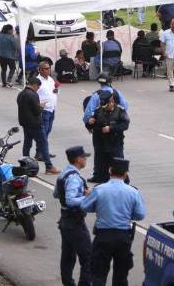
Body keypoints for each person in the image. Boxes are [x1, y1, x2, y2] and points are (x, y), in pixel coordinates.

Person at [80, 158, 146, 286]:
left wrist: (99, 208)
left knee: (98, 274)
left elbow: (84, 206)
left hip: (103, 236)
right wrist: (127, 214)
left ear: (110, 170)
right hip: (123, 238)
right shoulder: (133, 192)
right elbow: (140, 215)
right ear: (126, 173)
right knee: (121, 276)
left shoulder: (99, 189)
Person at [55, 146, 93, 286]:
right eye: (84, 157)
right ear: (78, 159)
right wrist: (86, 196)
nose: (86, 160)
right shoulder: (74, 178)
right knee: (88, 257)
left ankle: (68, 283)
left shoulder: (64, 173)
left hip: (65, 220)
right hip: (75, 222)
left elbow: (56, 194)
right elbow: (71, 201)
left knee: (68, 256)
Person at [86, 89, 130, 184]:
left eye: (108, 104)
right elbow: (91, 126)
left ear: (111, 101)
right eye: (104, 106)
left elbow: (125, 125)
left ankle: (125, 183)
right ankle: (99, 179)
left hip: (115, 144)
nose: (106, 108)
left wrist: (111, 128)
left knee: (118, 165)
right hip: (101, 144)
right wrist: (90, 123)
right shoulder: (98, 111)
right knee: (100, 165)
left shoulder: (120, 111)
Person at [17, 76, 59, 175]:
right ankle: (49, 166)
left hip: (25, 123)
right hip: (35, 124)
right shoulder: (33, 94)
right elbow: (37, 111)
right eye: (38, 87)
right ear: (35, 85)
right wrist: (41, 106)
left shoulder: (21, 93)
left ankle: (24, 164)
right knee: (43, 144)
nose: (38, 89)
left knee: (27, 144)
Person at [37, 61, 58, 157]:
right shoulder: (37, 81)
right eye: (45, 68)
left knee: (47, 131)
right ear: (40, 70)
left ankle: (43, 151)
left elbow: (53, 91)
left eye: (49, 68)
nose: (48, 70)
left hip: (51, 109)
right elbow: (32, 94)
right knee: (43, 132)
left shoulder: (50, 79)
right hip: (44, 110)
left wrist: (56, 90)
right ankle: (40, 153)